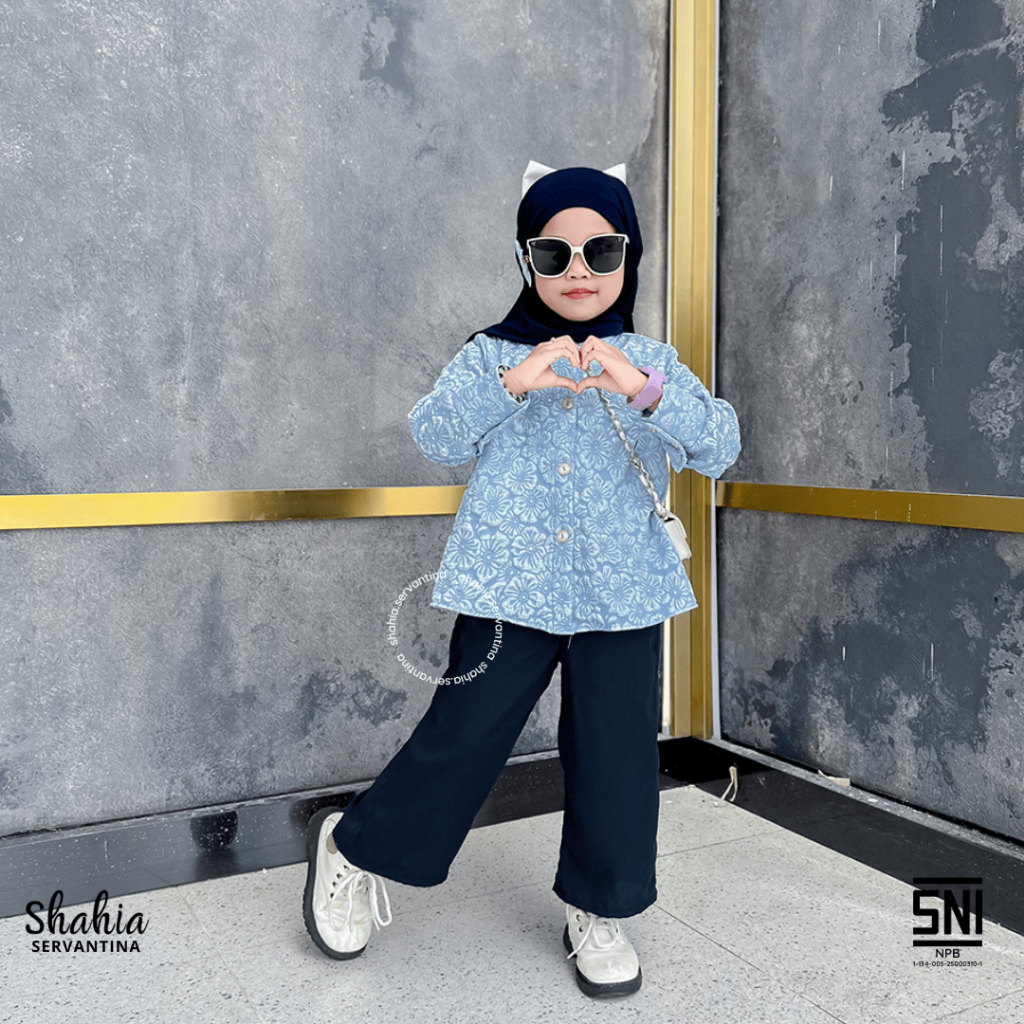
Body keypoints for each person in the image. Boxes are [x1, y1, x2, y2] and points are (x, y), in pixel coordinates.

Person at [303, 162, 740, 998]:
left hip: (623, 593)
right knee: (463, 736)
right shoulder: (491, 355)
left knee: (617, 754)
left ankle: (599, 908)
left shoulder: (651, 363)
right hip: (508, 589)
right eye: (553, 252)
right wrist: (513, 384)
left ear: (629, 257)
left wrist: (642, 390)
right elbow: (434, 438)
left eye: (601, 250)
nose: (579, 271)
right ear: (525, 259)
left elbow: (720, 447)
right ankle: (351, 849)